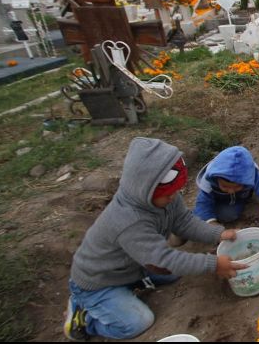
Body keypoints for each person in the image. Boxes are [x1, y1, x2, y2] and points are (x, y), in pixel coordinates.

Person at [64, 137, 245, 341]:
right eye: (168, 194)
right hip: (98, 282)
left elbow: (184, 221)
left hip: (130, 266)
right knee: (138, 322)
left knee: (171, 274)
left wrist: (217, 234)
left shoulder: (162, 196)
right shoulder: (129, 222)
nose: (173, 197)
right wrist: (212, 264)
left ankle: (135, 282)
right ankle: (86, 319)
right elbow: (165, 258)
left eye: (175, 191)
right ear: (145, 188)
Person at [193, 146, 259, 235]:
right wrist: (212, 225)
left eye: (237, 187)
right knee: (203, 214)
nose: (231, 191)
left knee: (229, 214)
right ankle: (188, 220)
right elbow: (203, 204)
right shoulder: (210, 182)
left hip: (240, 197)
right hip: (219, 200)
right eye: (225, 187)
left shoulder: (251, 175)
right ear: (216, 179)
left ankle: (241, 197)